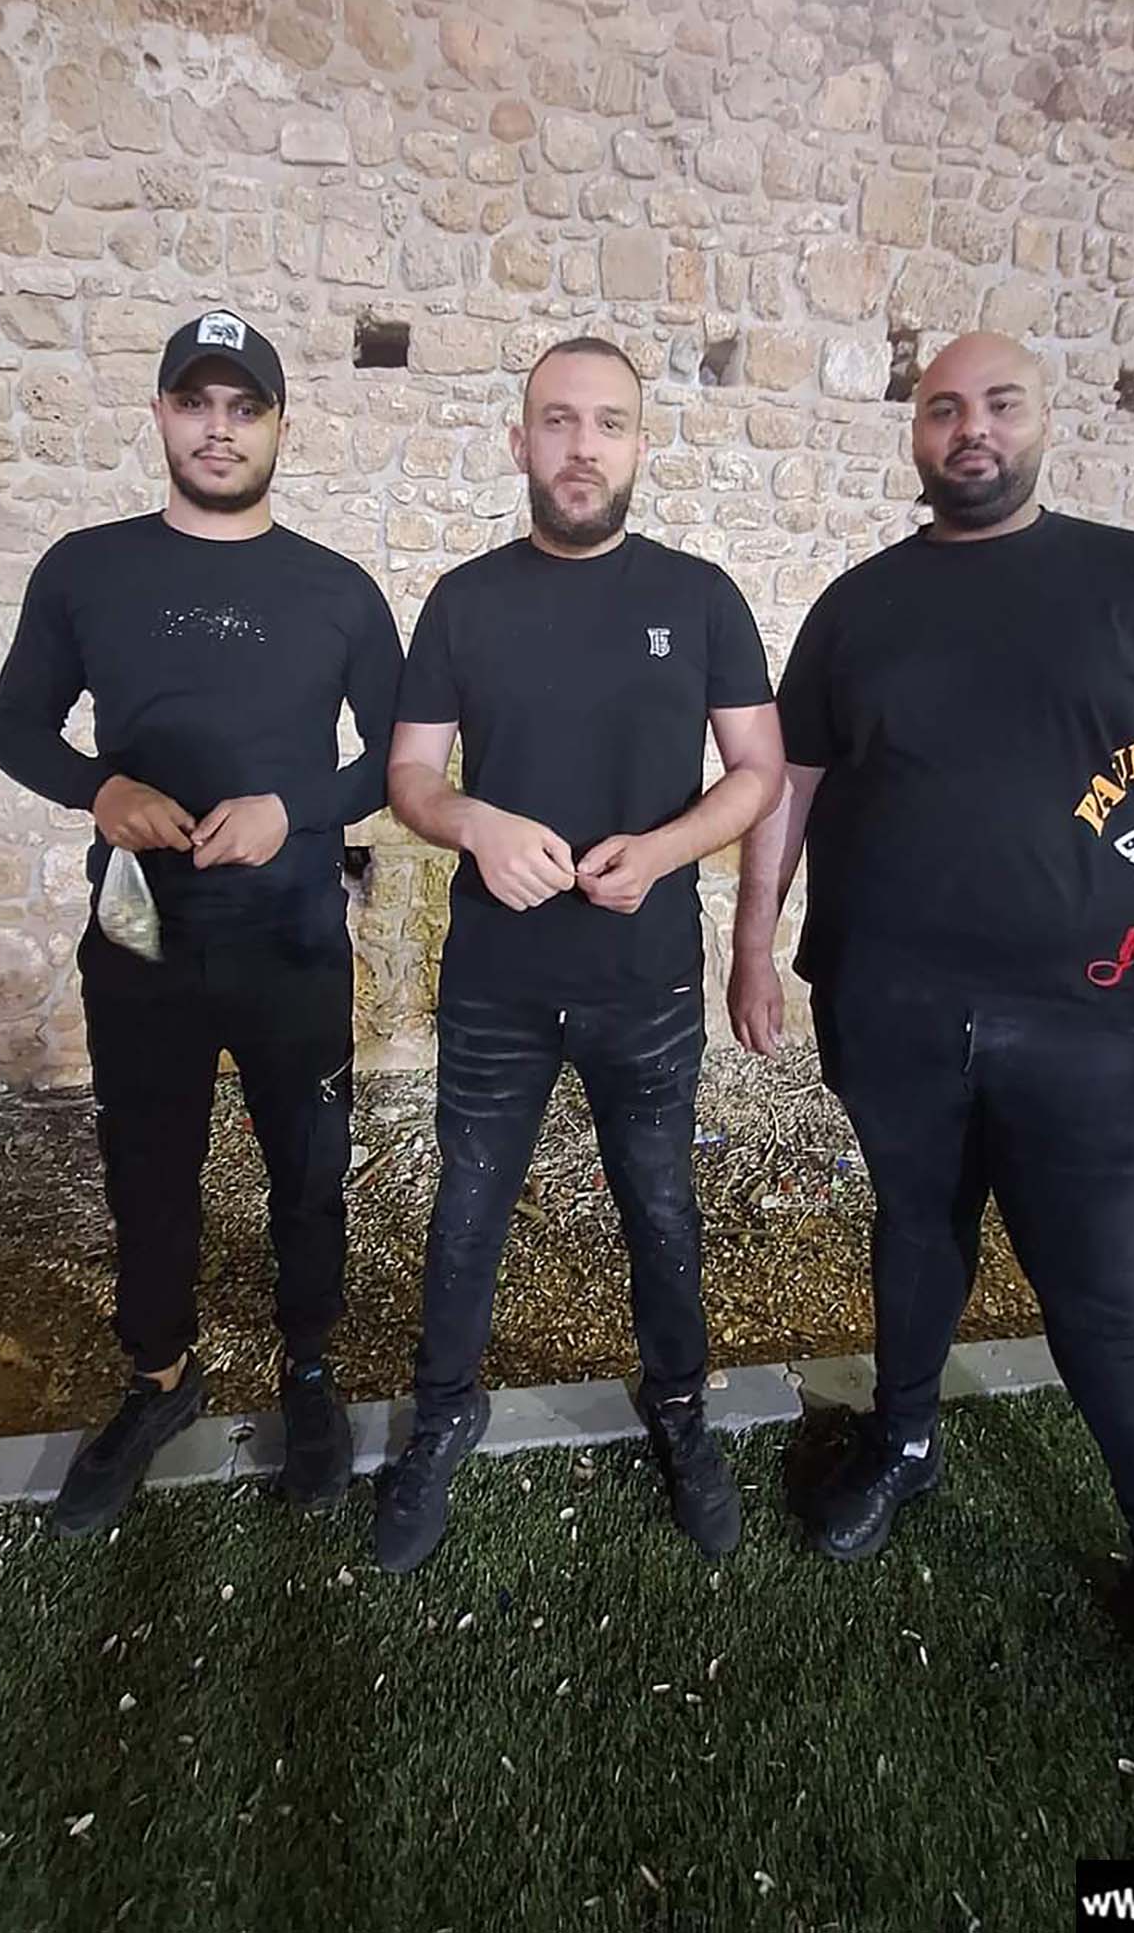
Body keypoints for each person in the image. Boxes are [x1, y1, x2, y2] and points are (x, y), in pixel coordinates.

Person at [728, 331, 1134, 1829]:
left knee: (1106, 1310)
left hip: (1090, 1026)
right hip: (888, 1006)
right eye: (943, 407)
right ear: (914, 434)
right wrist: (750, 942)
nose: (970, 428)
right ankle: (903, 1438)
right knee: (911, 1233)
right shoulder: (857, 605)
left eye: (998, 403)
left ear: (1041, 420)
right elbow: (788, 785)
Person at [0, 308, 402, 1537]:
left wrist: (294, 809)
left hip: (291, 937)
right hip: (141, 936)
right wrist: (97, 790)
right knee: (148, 1167)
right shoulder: (85, 568)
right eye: (196, 403)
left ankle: (308, 1370)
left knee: (307, 1167)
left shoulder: (337, 590)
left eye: (244, 407)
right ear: (162, 415)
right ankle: (160, 1379)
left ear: (279, 427)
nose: (219, 429)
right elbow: (14, 726)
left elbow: (395, 759)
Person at [374, 335, 785, 1572]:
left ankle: (679, 1409)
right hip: (495, 985)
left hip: (643, 981)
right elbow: (409, 775)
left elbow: (757, 773)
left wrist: (662, 850)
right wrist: (472, 822)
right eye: (556, 421)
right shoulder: (463, 601)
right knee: (464, 1215)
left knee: (660, 1208)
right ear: (519, 442)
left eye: (606, 423)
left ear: (639, 447)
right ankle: (443, 1413)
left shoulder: (699, 597)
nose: (581, 447)